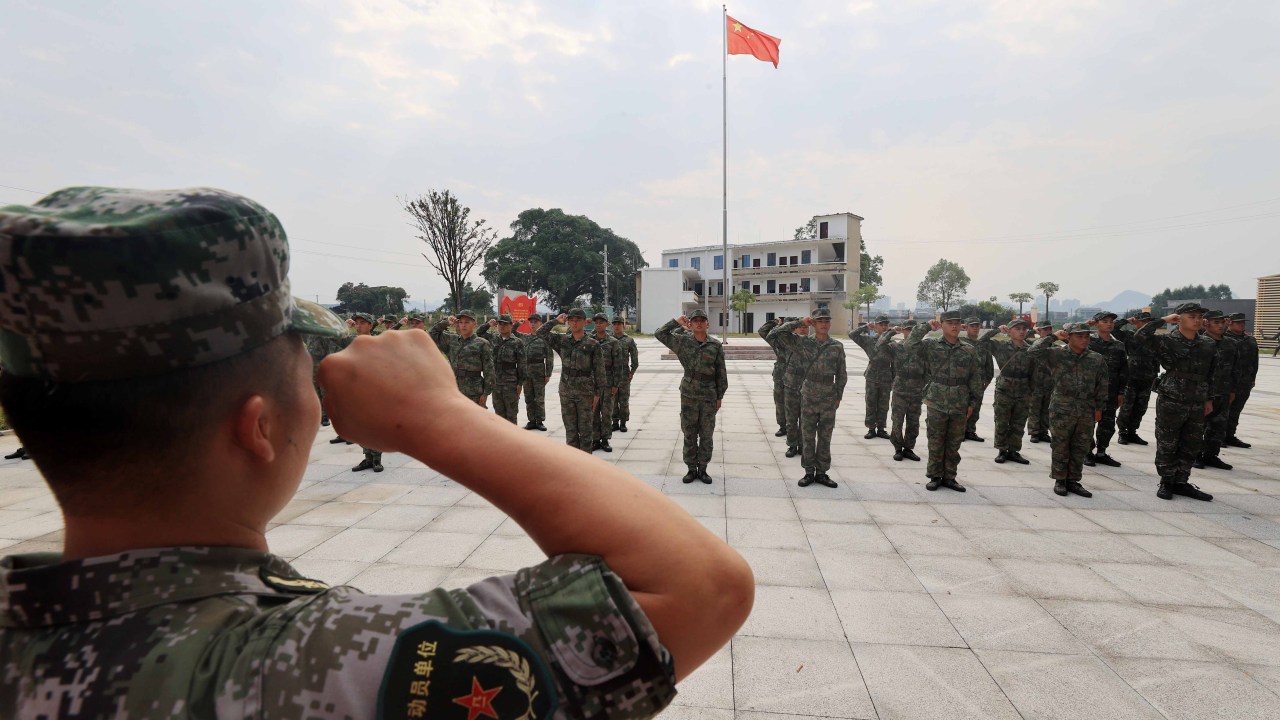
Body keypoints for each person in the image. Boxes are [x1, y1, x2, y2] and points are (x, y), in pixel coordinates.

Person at [0, 186, 754, 719]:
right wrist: (437, 414)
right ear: (259, 428)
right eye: (308, 365)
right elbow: (696, 587)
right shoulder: (312, 666)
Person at [1132, 303, 1217, 501]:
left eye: (1199, 316)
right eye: (1192, 316)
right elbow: (1139, 337)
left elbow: (1211, 373)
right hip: (1172, 398)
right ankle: (1166, 481)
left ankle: (1182, 481)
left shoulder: (1208, 344)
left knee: (1192, 442)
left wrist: (1209, 398)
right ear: (1179, 318)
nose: (1197, 320)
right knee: (1168, 441)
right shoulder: (1167, 341)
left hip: (1197, 399)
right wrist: (1162, 320)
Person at [904, 312, 983, 492]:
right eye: (949, 323)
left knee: (954, 442)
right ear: (942, 325)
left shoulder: (968, 349)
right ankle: (934, 476)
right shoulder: (931, 345)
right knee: (936, 440)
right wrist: (926, 327)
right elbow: (909, 345)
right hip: (937, 401)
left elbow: (975, 379)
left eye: (957, 323)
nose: (954, 326)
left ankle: (950, 477)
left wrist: (973, 404)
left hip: (959, 402)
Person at [1028, 323, 1109, 497]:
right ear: (1069, 337)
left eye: (1086, 336)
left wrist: (1099, 407)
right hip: (1062, 406)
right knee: (1061, 445)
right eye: (1079, 336)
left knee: (1081, 446)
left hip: (1086, 407)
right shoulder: (1057, 354)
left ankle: (1073, 480)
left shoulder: (1096, 358)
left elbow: (1102, 384)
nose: (1084, 339)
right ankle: (1059, 480)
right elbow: (1033, 351)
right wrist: (1053, 337)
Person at [774, 311, 846, 487]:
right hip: (809, 396)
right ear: (813, 324)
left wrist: (838, 396)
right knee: (807, 436)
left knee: (825, 436)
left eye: (826, 321)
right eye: (819, 321)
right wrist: (800, 321)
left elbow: (842, 374)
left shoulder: (837, 346)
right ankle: (808, 471)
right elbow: (776, 334)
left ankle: (822, 472)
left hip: (828, 397)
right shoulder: (803, 343)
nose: (823, 324)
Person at [656, 310, 727, 484]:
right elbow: (660, 334)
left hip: (709, 395)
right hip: (689, 394)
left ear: (708, 324)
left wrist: (720, 396)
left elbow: (721, 373)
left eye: (703, 320)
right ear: (691, 324)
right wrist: (677, 322)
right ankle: (691, 469)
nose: (699, 323)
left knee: (706, 434)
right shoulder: (682, 342)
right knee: (689, 433)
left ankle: (703, 469)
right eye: (695, 320)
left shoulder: (715, 346)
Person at [537, 309, 605, 452]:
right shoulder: (563, 340)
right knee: (571, 430)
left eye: (578, 320)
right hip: (566, 391)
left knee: (586, 431)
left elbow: (600, 371)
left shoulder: (593, 344)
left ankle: (586, 464)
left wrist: (597, 395)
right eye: (571, 320)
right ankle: (574, 463)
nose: (574, 322)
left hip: (585, 393)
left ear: (584, 322)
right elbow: (540, 333)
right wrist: (556, 321)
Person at [979, 320, 1034, 464]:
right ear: (1009, 331)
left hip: (1024, 389)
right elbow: (981, 341)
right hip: (1005, 388)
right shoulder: (1001, 346)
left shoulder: (1031, 349)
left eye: (1024, 329)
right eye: (1017, 329)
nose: (1022, 331)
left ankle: (1014, 451)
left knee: (1019, 422)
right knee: (1002, 421)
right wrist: (997, 330)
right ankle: (1002, 450)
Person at [1194, 309, 1240, 471]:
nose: (1220, 326)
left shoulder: (1231, 343)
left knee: (1218, 426)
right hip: (1204, 392)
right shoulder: (1200, 342)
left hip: (1224, 391)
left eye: (1222, 322)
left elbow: (1235, 369)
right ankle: (1196, 455)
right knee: (1199, 425)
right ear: (1206, 323)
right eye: (1216, 322)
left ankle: (1211, 455)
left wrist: (1233, 389)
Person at [876, 321, 925, 462]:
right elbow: (880, 344)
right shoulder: (896, 346)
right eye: (907, 329)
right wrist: (892, 331)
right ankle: (898, 448)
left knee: (913, 421)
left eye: (913, 329)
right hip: (900, 387)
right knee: (897, 420)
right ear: (903, 331)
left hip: (917, 387)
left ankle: (909, 448)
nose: (910, 332)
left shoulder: (923, 347)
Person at [1085, 311, 1128, 467]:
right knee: (1088, 423)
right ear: (1096, 324)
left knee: (1108, 423)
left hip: (1111, 391)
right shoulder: (1088, 342)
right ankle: (1087, 452)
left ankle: (1102, 452)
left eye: (1111, 321)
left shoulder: (1118, 345)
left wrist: (1121, 392)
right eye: (1104, 321)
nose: (1109, 324)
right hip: (1091, 390)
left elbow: (1123, 370)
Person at [428, 310, 496, 408]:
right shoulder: (451, 340)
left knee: (474, 421)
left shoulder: (482, 343)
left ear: (474, 324)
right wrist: (446, 322)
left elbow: (489, 370)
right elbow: (432, 334)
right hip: (454, 390)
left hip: (474, 392)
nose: (463, 325)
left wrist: (486, 393)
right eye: (461, 322)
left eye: (467, 322)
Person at [345, 312, 382, 471]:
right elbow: (334, 337)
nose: (358, 325)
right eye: (356, 322)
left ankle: (376, 459)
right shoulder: (352, 341)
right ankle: (367, 457)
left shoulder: (379, 342)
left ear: (370, 325)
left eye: (362, 322)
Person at [1114, 311, 1158, 445]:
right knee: (1127, 406)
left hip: (1148, 378)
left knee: (1141, 407)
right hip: (1131, 377)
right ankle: (1122, 432)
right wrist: (1126, 321)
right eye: (1143, 321)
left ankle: (1132, 432)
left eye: (1148, 322)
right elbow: (1114, 329)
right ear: (1136, 323)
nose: (1146, 324)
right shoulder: (1129, 336)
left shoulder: (1155, 339)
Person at [849, 316, 894, 440]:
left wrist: (893, 379)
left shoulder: (892, 343)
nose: (884, 327)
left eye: (886, 324)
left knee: (884, 404)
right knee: (871, 403)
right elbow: (852, 334)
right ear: (876, 326)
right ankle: (871, 428)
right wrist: (865, 327)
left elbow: (895, 363)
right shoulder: (869, 340)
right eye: (881, 324)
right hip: (872, 376)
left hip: (886, 376)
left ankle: (881, 428)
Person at [477, 315, 526, 425]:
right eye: (500, 324)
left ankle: (513, 440)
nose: (502, 326)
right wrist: (488, 324)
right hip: (496, 382)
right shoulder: (493, 338)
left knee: (511, 414)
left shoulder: (517, 342)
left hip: (511, 383)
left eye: (505, 324)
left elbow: (522, 364)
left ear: (511, 325)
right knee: (499, 414)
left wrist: (520, 383)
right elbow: (478, 333)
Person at [590, 313, 623, 453]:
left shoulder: (613, 342)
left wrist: (616, 384)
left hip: (608, 381)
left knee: (606, 412)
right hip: (592, 382)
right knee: (593, 412)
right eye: (596, 322)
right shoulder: (589, 340)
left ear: (607, 324)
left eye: (601, 322)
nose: (598, 325)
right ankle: (595, 439)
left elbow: (618, 365)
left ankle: (605, 439)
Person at [1224, 312, 1258, 448]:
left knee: (1236, 411)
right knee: (1222, 412)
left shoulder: (1250, 340)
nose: (1242, 324)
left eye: (1243, 322)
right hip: (1227, 382)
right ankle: (1217, 438)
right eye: (1238, 322)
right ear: (1229, 322)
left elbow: (1255, 362)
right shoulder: (1223, 339)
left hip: (1244, 382)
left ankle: (1230, 436)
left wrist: (1252, 379)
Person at [778, 319, 811, 458]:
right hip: (791, 385)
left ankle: (803, 445)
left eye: (805, 327)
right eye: (800, 327)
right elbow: (778, 332)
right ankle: (792, 445)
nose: (803, 329)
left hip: (808, 387)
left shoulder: (814, 343)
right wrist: (796, 322)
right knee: (791, 418)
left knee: (806, 419)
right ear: (795, 329)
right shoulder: (789, 342)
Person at [961, 317, 994, 442]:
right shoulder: (961, 342)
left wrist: (988, 380)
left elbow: (989, 364)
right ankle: (960, 431)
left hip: (979, 382)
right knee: (963, 406)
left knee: (976, 407)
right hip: (964, 381)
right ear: (966, 327)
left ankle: (970, 431)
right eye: (972, 326)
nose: (975, 328)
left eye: (977, 326)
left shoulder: (983, 345)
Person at [522, 314, 554, 431]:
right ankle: (531, 420)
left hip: (539, 371)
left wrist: (548, 373)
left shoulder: (544, 339)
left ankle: (540, 421)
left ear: (541, 324)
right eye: (531, 322)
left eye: (536, 322)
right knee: (528, 397)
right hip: (527, 371)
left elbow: (549, 357)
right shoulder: (525, 338)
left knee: (539, 398)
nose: (533, 324)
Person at [758, 317, 789, 437]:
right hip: (780, 375)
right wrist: (776, 323)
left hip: (798, 376)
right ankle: (783, 426)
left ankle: (796, 427)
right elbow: (762, 331)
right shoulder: (777, 341)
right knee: (780, 402)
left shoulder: (800, 340)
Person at [1026, 320, 1055, 443]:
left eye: (1049, 329)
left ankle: (1043, 431)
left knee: (1046, 409)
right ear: (1039, 331)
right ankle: (1034, 432)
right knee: (1034, 408)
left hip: (1050, 384)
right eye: (1044, 329)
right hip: (1035, 383)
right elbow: (1025, 337)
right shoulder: (1033, 345)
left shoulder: (1055, 348)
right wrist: (1034, 331)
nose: (1047, 332)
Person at [612, 317, 640, 433]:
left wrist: (632, 373)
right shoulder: (608, 339)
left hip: (624, 375)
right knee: (613, 400)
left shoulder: (629, 340)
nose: (616, 326)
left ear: (623, 326)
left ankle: (623, 422)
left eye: (619, 324)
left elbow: (635, 359)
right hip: (611, 375)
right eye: (614, 324)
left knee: (624, 400)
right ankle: (614, 422)